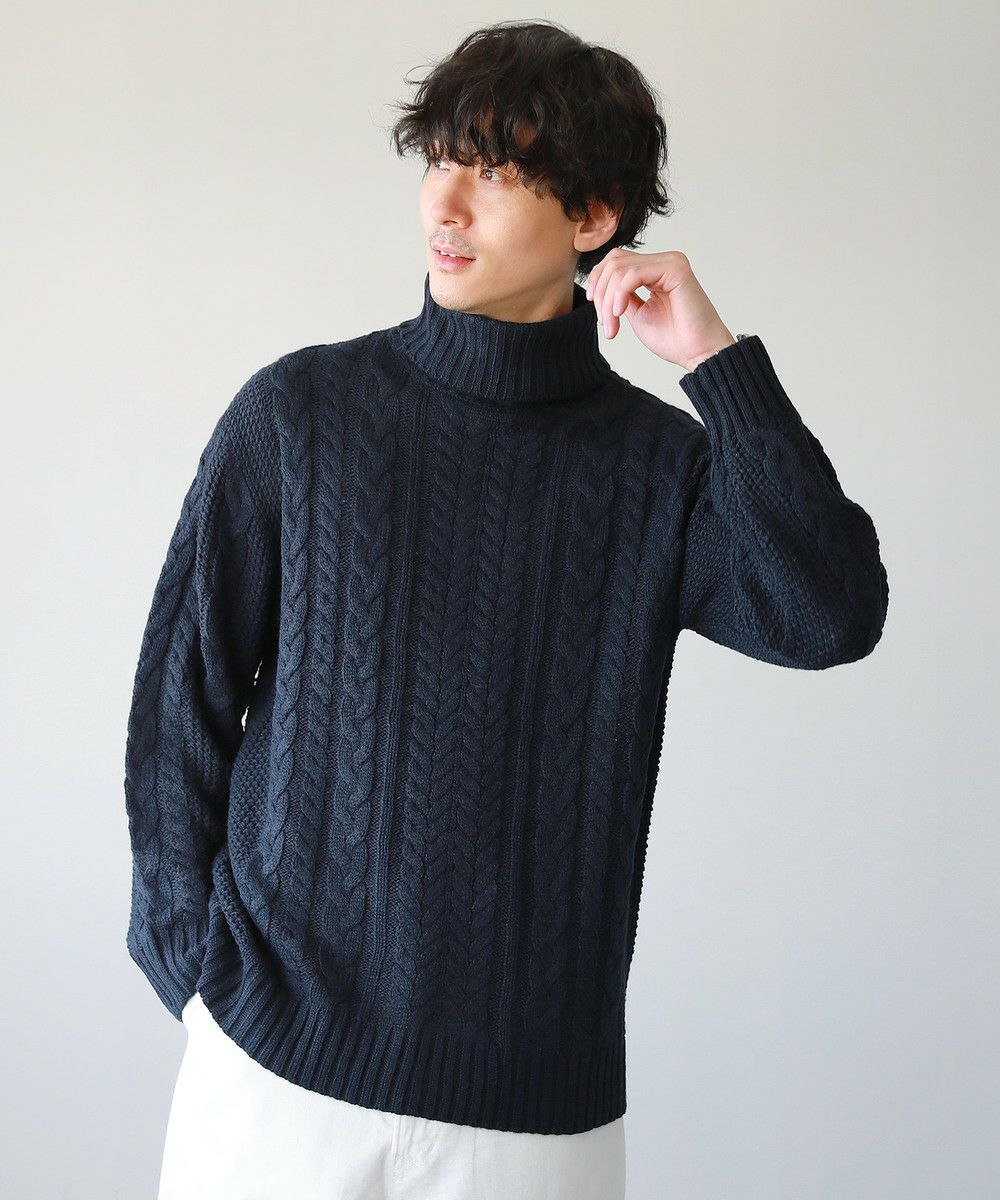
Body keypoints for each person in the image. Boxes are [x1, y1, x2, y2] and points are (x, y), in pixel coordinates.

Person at [123, 18, 890, 1200]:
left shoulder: (659, 471)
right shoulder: (301, 414)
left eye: (491, 174)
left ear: (593, 217)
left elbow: (829, 612)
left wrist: (715, 363)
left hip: (532, 1127)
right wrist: (192, 964)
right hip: (274, 1081)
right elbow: (184, 694)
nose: (444, 205)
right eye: (438, 161)